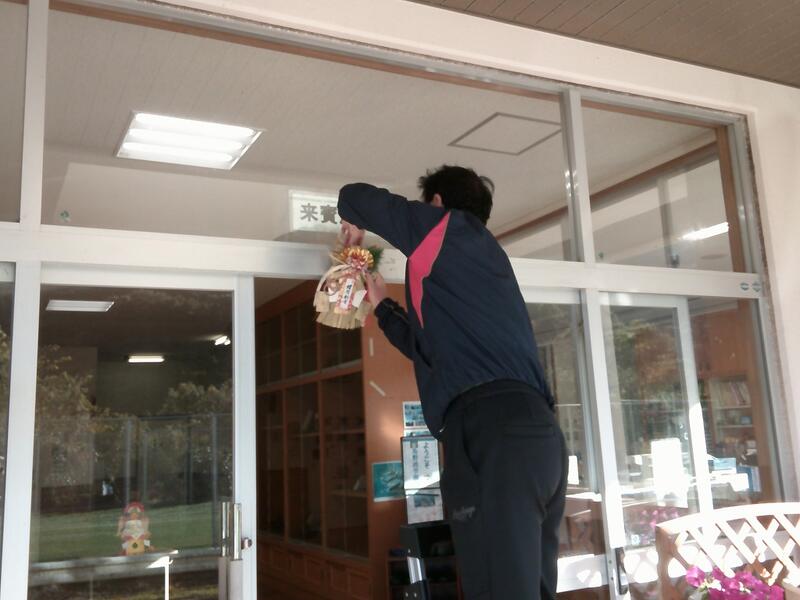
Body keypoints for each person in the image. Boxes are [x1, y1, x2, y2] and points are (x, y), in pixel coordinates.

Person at [337, 165, 567, 600]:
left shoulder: (448, 228)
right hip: (536, 436)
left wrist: (353, 221)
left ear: (438, 203)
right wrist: (384, 307)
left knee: (495, 588)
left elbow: (356, 195)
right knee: (528, 587)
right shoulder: (479, 271)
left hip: (490, 431)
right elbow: (431, 352)